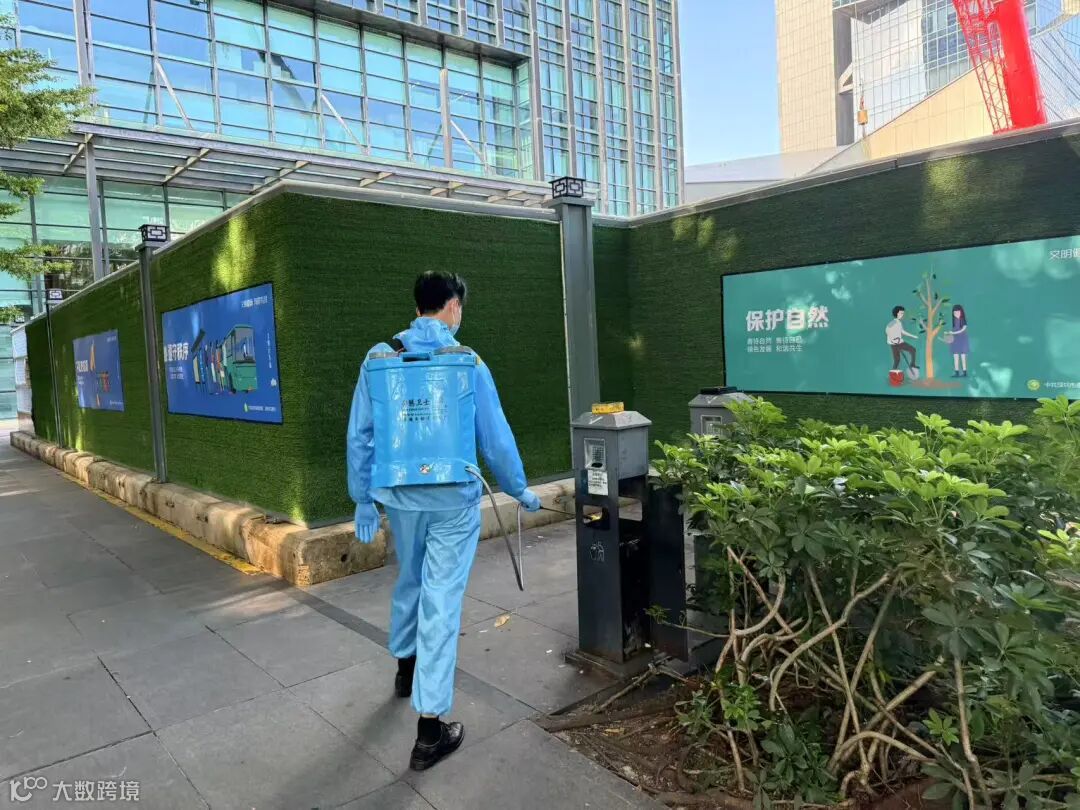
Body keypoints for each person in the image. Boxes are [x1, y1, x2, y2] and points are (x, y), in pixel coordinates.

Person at [346, 271, 541, 771]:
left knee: (410, 580)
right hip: (454, 499)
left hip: (399, 498)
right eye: (460, 308)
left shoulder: (379, 358)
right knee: (441, 601)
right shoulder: (467, 361)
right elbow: (495, 436)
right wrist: (519, 489)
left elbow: (360, 435)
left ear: (418, 308)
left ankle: (405, 668)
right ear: (452, 306)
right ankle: (430, 731)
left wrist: (364, 500)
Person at [885, 305, 920, 372]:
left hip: (898, 342)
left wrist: (913, 336)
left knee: (898, 359)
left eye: (903, 313)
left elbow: (902, 332)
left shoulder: (899, 322)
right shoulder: (893, 323)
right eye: (901, 313)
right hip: (896, 343)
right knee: (899, 358)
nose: (902, 315)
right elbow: (887, 330)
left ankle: (911, 364)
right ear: (896, 314)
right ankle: (894, 372)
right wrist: (893, 340)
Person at [946, 304, 970, 377]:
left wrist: (953, 333)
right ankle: (957, 372)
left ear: (961, 312)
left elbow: (962, 330)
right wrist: (949, 334)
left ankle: (964, 372)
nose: (956, 313)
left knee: (963, 356)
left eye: (958, 312)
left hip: (962, 340)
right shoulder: (954, 321)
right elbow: (953, 331)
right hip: (955, 341)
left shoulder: (963, 320)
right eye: (954, 312)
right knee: (955, 356)